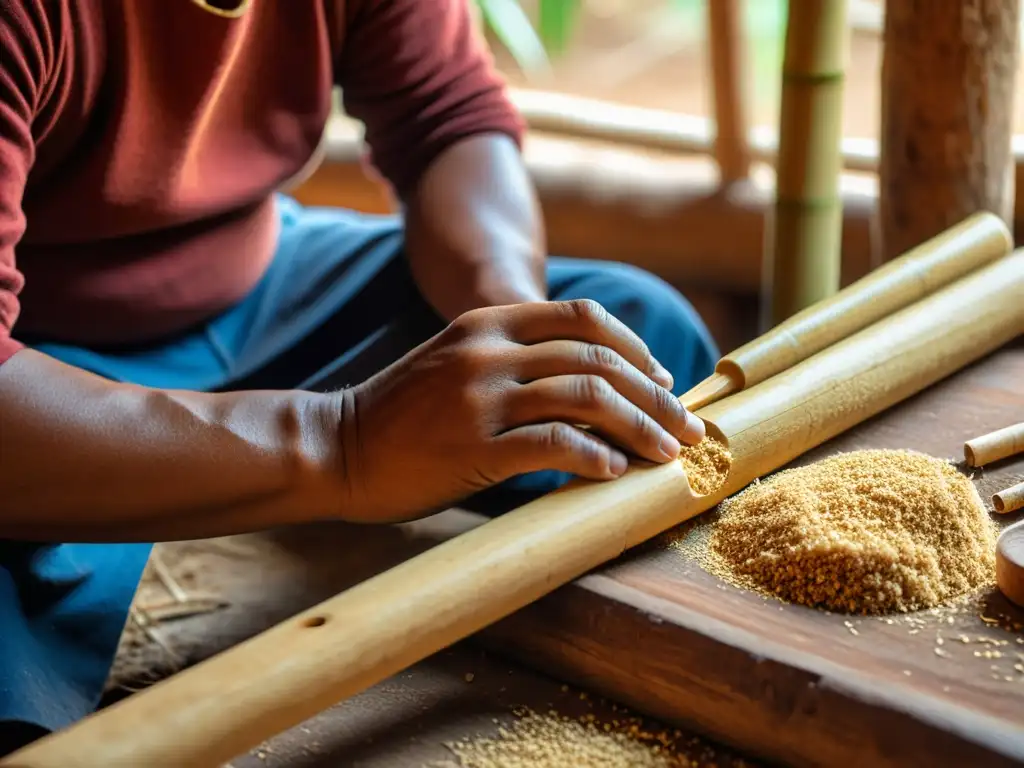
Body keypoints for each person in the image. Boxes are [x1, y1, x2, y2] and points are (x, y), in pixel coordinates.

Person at [0, 0, 718, 754]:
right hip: (40, 363)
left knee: (637, 331)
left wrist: (508, 323)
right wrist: (339, 442)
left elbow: (445, 118)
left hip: (267, 278)